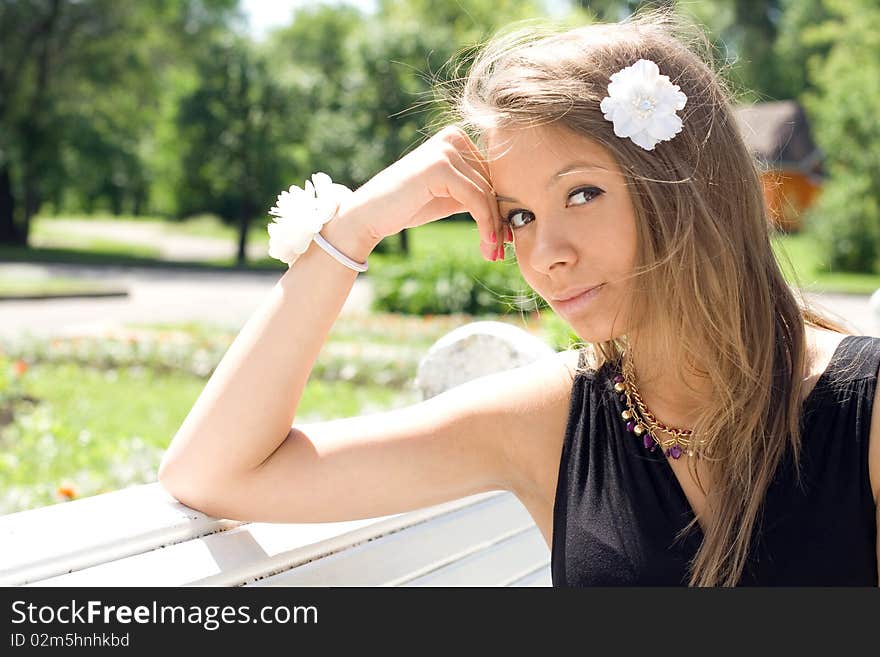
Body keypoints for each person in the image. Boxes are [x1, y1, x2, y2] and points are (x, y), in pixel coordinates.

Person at [157, 7, 879, 587]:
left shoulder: (865, 411)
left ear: (690, 187)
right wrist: (355, 226)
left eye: (582, 193)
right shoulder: (545, 421)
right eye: (520, 215)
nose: (545, 254)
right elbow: (215, 472)